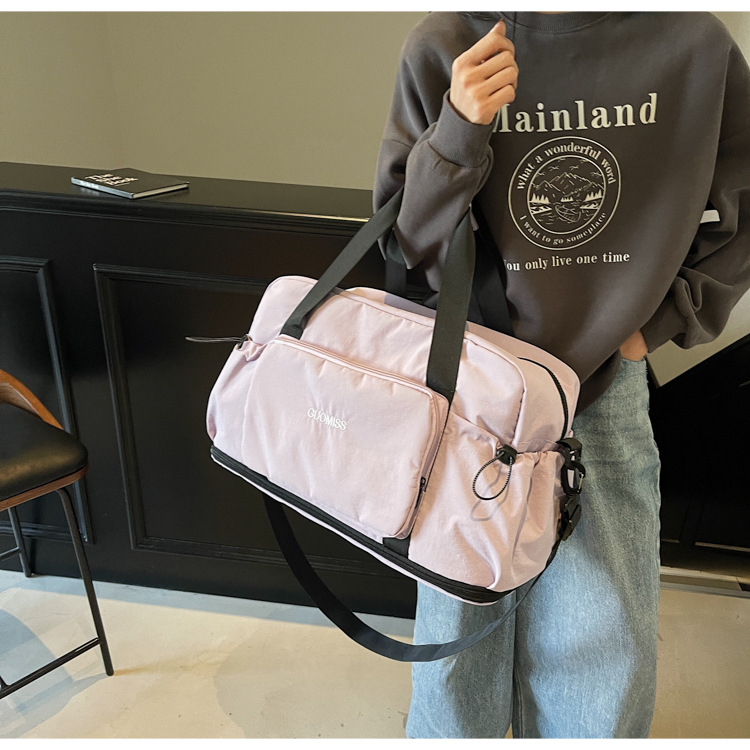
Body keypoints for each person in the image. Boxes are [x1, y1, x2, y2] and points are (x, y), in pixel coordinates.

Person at [374, 11, 750, 739]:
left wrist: (659, 324)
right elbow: (408, 247)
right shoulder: (447, 43)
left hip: (602, 384)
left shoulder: (692, 45)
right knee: (458, 630)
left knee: (604, 631)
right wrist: (459, 129)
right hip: (474, 387)